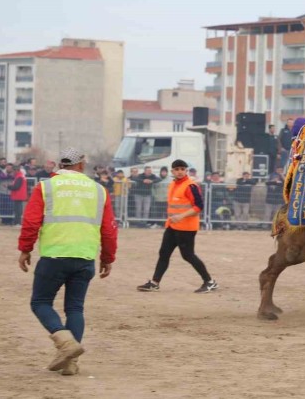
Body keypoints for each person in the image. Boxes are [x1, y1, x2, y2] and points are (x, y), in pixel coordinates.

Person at [17, 147, 117, 376]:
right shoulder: (98, 190)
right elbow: (109, 229)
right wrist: (107, 257)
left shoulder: (46, 187)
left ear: (61, 165)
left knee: (40, 302)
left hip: (54, 255)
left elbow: (31, 221)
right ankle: (71, 363)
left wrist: (25, 249)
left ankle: (64, 343)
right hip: (84, 257)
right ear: (81, 164)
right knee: (75, 307)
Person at [137, 159, 217, 293]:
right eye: (177, 169)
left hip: (186, 227)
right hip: (173, 226)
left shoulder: (190, 185)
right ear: (172, 171)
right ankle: (155, 282)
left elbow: (199, 206)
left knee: (188, 255)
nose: (180, 172)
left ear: (186, 171)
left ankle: (209, 281)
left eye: (182, 169)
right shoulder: (173, 184)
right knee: (164, 253)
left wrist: (181, 216)